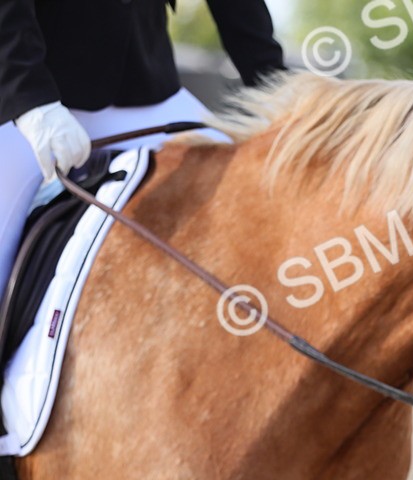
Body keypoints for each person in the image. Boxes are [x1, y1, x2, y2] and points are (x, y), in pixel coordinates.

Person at [0, 0, 286, 289]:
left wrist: (275, 87)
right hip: (21, 92)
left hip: (143, 79)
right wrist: (30, 101)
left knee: (248, 195)